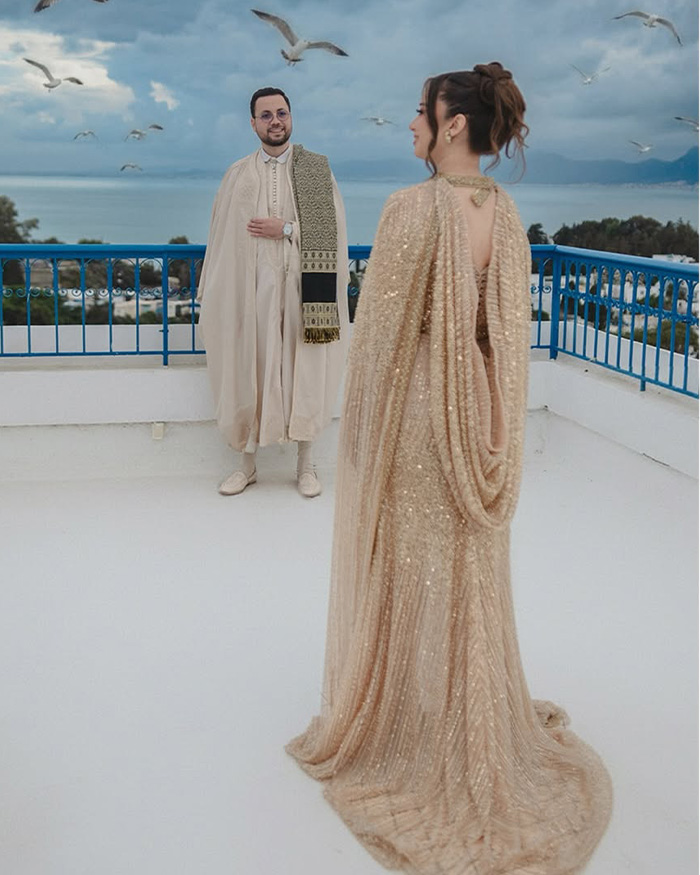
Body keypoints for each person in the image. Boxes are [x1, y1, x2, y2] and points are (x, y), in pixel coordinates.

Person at [287, 63, 612, 873]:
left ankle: (417, 728)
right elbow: (506, 333)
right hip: (482, 407)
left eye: (419, 111)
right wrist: (493, 411)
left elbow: (381, 338)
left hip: (423, 412)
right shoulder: (507, 214)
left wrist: (362, 432)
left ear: (453, 124)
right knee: (469, 569)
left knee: (414, 566)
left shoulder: (412, 207)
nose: (411, 124)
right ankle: (473, 722)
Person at [197, 87, 349, 497]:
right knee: (250, 368)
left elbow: (333, 234)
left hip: (304, 293)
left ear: (291, 117)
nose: (275, 121)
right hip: (253, 295)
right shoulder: (237, 175)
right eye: (266, 115)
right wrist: (216, 293)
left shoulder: (315, 170)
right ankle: (246, 466)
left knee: (305, 370)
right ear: (253, 124)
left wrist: (285, 229)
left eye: (281, 113)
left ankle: (306, 465)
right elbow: (221, 240)